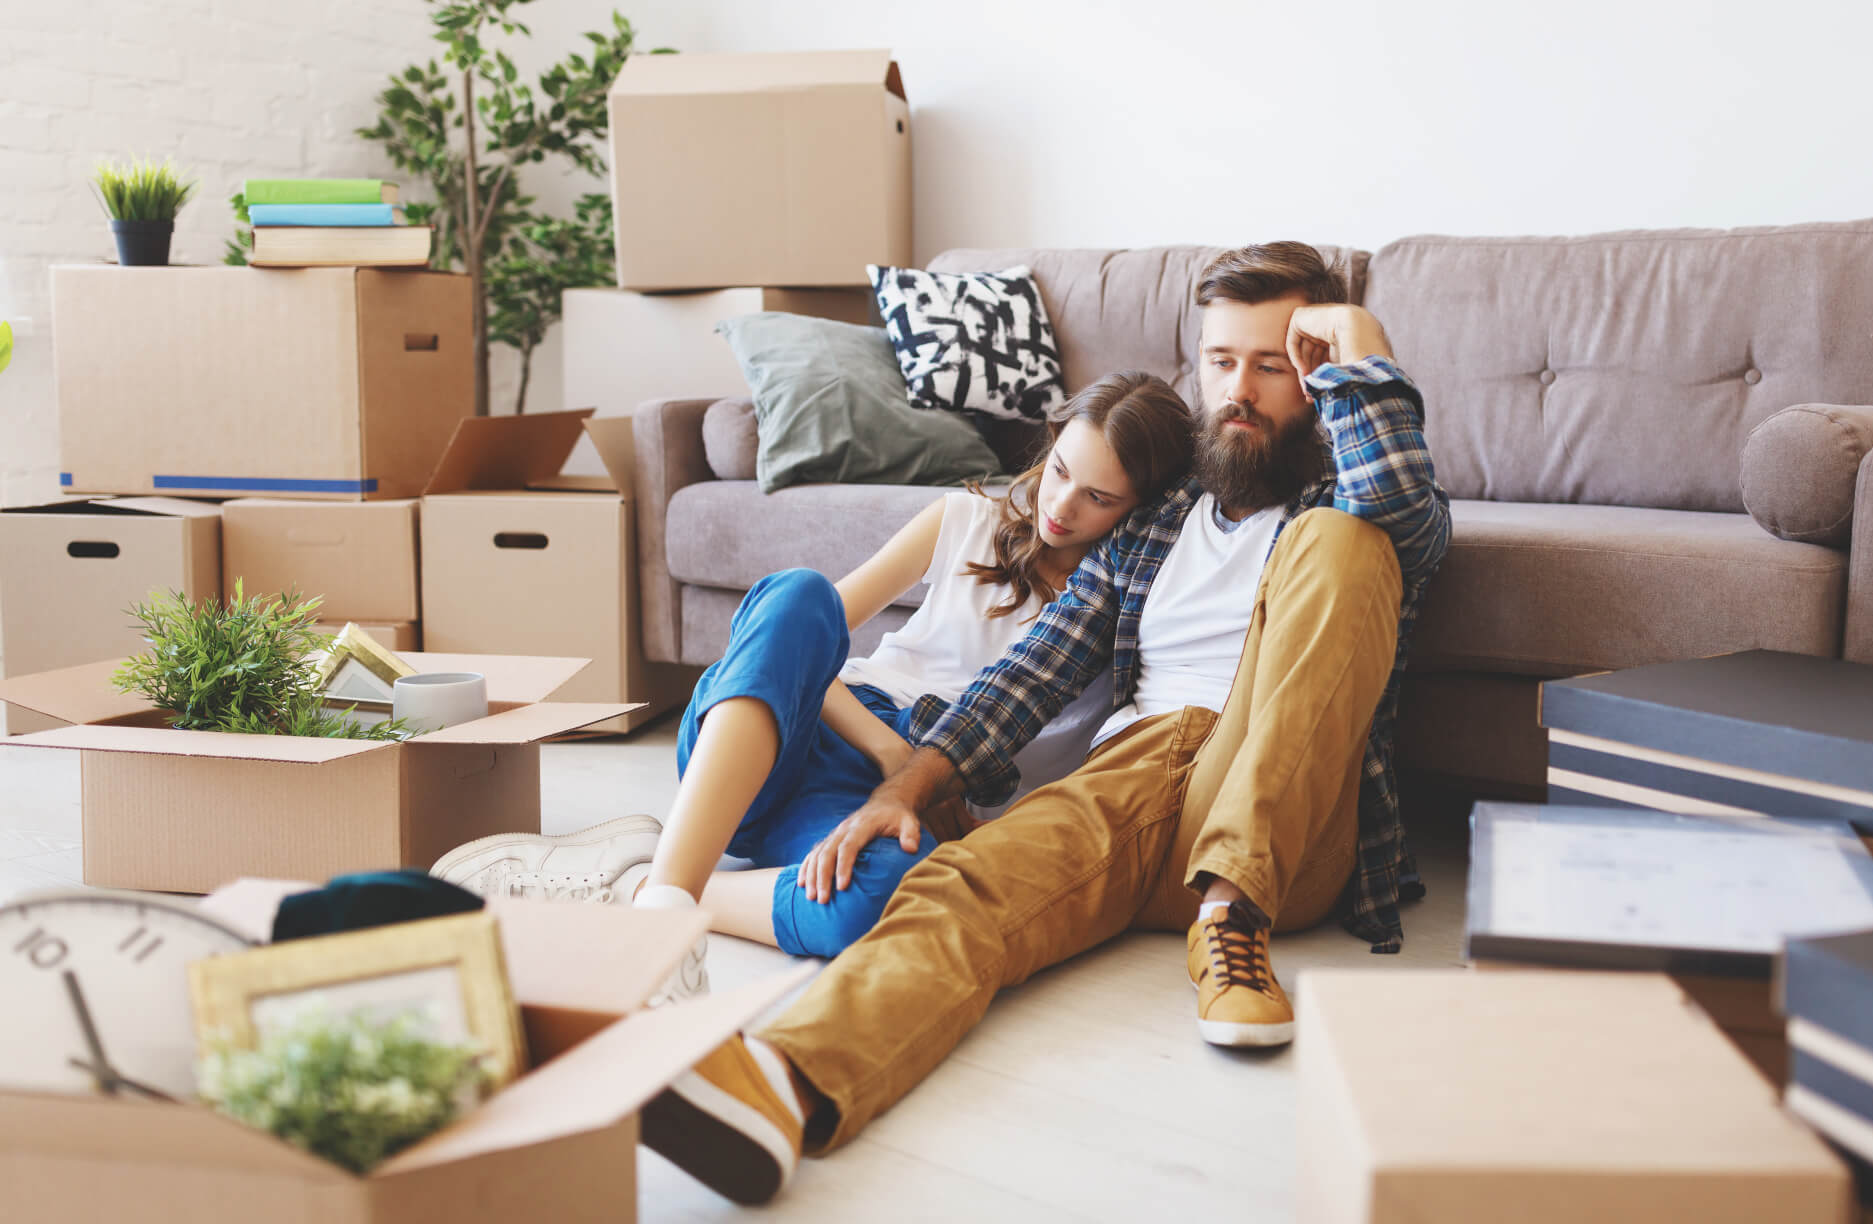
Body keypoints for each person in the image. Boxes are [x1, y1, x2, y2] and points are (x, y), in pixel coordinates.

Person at [629, 241, 1453, 1205]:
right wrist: (906, 786)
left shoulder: (1346, 505)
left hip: (1278, 802)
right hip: (1133, 782)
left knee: (1344, 543)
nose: (1240, 390)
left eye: (1273, 366)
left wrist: (1361, 345)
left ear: (1316, 376)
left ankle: (1233, 912)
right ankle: (783, 1083)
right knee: (959, 885)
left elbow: (1401, 508)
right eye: (1221, 361)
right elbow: (1032, 671)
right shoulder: (1154, 524)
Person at [430, 370, 1198, 983]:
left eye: (1099, 498)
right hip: (784, 733)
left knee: (888, 895)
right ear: (1050, 442)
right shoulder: (964, 519)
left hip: (867, 806)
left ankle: (641, 881)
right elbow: (788, 640)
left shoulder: (1126, 613)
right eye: (1060, 469)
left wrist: (919, 787)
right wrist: (892, 756)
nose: (1061, 506)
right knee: (797, 593)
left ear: (1141, 507)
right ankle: (665, 911)